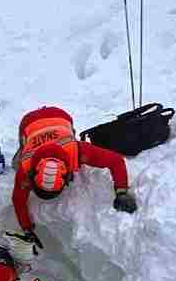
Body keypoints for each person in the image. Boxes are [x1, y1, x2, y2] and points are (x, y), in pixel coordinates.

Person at [11, 105, 137, 248]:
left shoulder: (78, 151)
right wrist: (26, 228)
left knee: (65, 136)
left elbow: (116, 161)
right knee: (19, 159)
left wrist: (121, 192)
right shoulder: (25, 165)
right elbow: (18, 199)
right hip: (29, 123)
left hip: (59, 117)